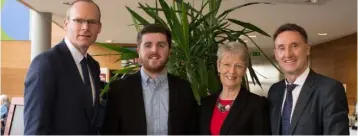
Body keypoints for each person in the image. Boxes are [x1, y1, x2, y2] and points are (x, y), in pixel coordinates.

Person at [102, 24, 199, 135]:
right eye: (148, 45)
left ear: (169, 50)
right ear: (139, 50)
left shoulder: (184, 88)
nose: (154, 50)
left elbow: (192, 130)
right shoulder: (119, 89)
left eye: (161, 45)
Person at [24, 0, 102, 134]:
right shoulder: (46, 63)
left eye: (92, 22)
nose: (85, 27)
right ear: (66, 24)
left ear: (99, 28)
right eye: (78, 20)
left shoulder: (93, 66)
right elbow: (35, 128)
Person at [268, 23, 349, 135]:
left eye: (294, 46)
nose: (288, 54)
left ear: (307, 49)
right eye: (281, 48)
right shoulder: (275, 91)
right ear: (276, 54)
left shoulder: (330, 90)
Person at [199, 42, 271, 135]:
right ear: (218, 66)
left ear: (244, 70)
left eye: (238, 66)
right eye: (227, 64)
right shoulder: (206, 103)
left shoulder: (257, 105)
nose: (232, 71)